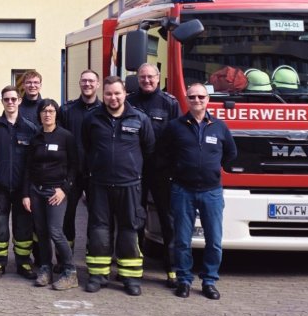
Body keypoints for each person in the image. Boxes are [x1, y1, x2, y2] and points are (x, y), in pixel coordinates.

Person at [160, 83, 236, 300]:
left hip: (211, 192)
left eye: (201, 97)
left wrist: (211, 168)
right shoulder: (175, 127)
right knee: (183, 240)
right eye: (192, 97)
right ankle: (184, 280)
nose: (197, 101)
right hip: (182, 191)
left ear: (208, 99)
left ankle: (209, 280)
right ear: (187, 99)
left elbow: (231, 153)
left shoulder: (220, 127)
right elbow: (163, 154)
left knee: (213, 240)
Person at [81, 76, 154, 296]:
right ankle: (98, 275)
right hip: (100, 185)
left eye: (117, 93)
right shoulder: (92, 119)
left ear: (125, 94)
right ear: (103, 95)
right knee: (99, 231)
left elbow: (149, 150)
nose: (113, 98)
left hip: (130, 185)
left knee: (129, 231)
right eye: (109, 94)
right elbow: (86, 147)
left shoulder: (140, 119)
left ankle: (130, 278)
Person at [126, 63, 181, 288]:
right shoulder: (129, 102)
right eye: (142, 77)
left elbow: (177, 138)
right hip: (135, 171)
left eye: (150, 77)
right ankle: (133, 267)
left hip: (162, 172)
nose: (146, 81)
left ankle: (172, 269)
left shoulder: (169, 103)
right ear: (137, 79)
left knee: (169, 221)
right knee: (134, 218)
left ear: (158, 78)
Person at [0, 85, 38, 280]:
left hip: (23, 188)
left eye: (14, 99)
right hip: (0, 186)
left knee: (23, 226)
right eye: (7, 99)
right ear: (2, 101)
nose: (10, 102)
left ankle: (23, 262)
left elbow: (34, 159)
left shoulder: (30, 128)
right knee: (0, 225)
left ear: (19, 101)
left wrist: (28, 186)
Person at [21, 99, 78, 290]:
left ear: (56, 114)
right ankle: (46, 268)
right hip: (36, 191)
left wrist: (64, 189)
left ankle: (70, 272)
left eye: (52, 111)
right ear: (39, 114)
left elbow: (74, 166)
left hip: (56, 191)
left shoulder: (66, 137)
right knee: (42, 232)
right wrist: (26, 194)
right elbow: (28, 168)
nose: (48, 114)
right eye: (44, 111)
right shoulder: (35, 138)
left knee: (55, 231)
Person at [58, 69, 102, 257]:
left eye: (91, 81)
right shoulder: (67, 110)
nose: (87, 84)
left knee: (96, 217)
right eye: (84, 81)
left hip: (96, 173)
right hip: (72, 173)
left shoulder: (104, 111)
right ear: (80, 83)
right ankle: (65, 258)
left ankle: (93, 254)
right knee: (67, 216)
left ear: (98, 84)